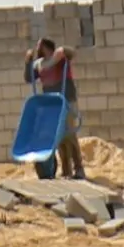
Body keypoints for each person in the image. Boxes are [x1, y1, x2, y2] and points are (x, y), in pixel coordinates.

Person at [35, 45, 85, 179]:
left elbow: (71, 53)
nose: (38, 48)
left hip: (66, 99)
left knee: (69, 133)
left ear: (48, 48)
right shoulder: (41, 64)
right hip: (53, 103)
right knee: (60, 135)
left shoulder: (60, 60)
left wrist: (63, 50)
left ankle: (78, 168)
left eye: (41, 46)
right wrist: (28, 61)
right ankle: (66, 170)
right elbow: (29, 77)